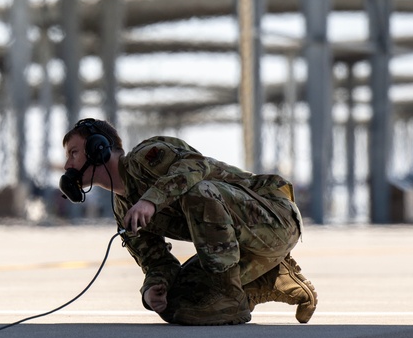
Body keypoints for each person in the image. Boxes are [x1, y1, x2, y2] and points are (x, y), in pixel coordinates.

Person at [60, 117, 317, 326]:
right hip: (242, 246)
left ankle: (231, 296)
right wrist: (152, 290)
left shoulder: (147, 156)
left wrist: (151, 200)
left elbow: (195, 167)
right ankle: (275, 278)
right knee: (176, 304)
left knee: (198, 191)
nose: (67, 164)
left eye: (74, 153)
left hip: (275, 218)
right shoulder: (122, 208)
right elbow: (155, 261)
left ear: (98, 148)